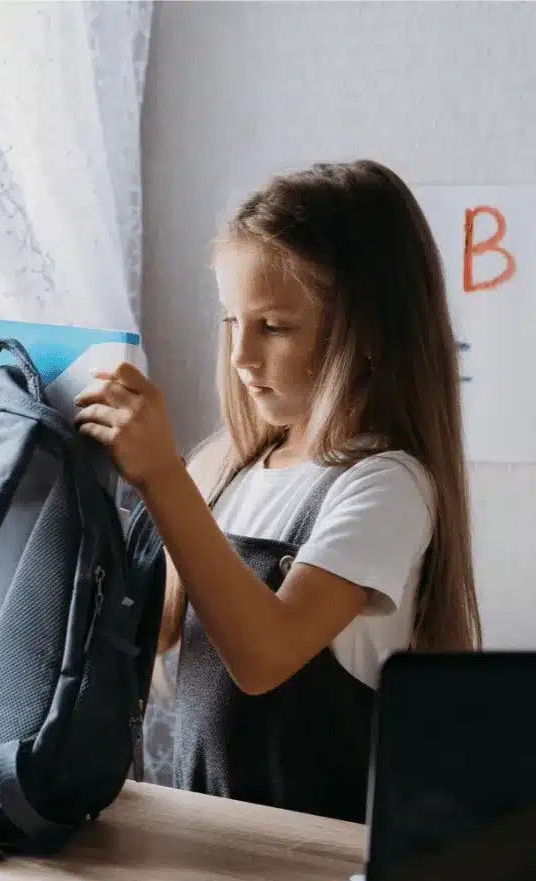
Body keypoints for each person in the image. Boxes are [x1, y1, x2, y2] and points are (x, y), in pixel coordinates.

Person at [74, 159, 481, 823]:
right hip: (215, 840)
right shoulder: (228, 471)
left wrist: (162, 479)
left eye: (274, 326)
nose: (241, 356)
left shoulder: (386, 486)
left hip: (312, 864)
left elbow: (263, 657)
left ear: (368, 335)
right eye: (232, 322)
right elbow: (150, 638)